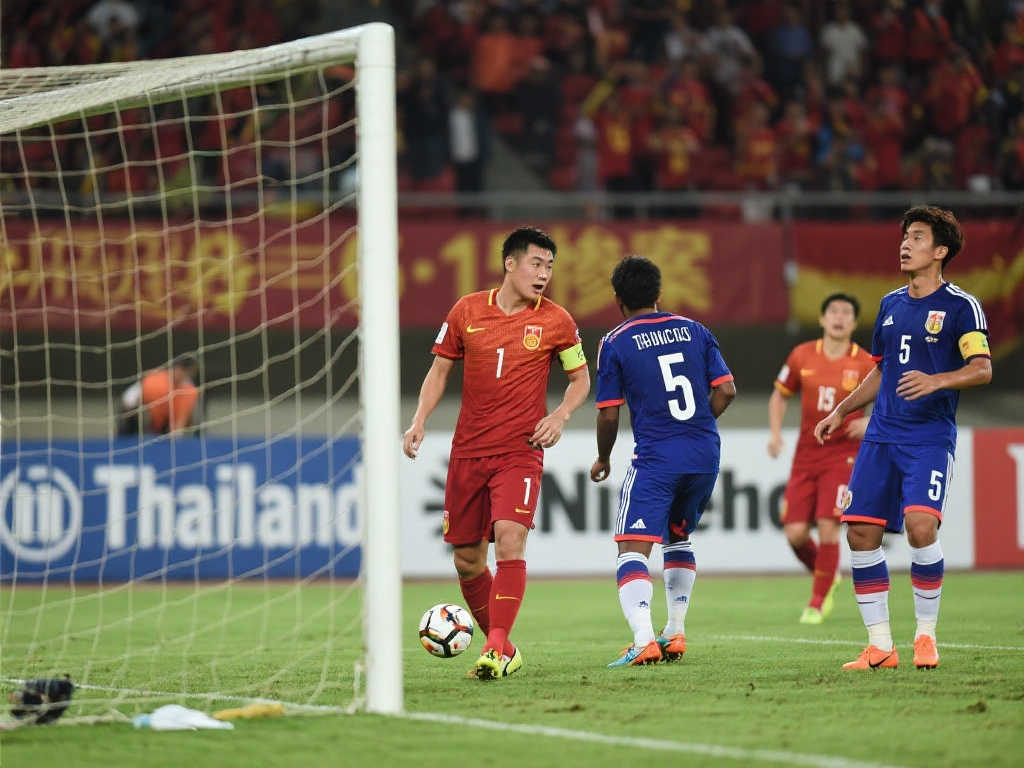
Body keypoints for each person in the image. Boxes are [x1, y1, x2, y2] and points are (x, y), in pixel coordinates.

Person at [403, 227, 590, 681]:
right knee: (467, 560)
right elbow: (439, 370)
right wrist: (419, 419)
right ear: (510, 263)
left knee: (509, 538)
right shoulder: (466, 311)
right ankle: (505, 648)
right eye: (536, 264)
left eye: (549, 267)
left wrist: (560, 416)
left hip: (520, 451)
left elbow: (580, 379)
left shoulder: (557, 321)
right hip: (469, 451)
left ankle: (492, 649)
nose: (544, 274)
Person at [814, 206, 992, 670]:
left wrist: (937, 381)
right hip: (881, 437)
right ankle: (880, 647)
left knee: (920, 526)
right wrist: (842, 410)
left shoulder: (961, 306)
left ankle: (925, 636)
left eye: (916, 237)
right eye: (904, 236)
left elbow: (982, 369)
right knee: (860, 533)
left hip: (928, 437)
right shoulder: (891, 304)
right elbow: (882, 370)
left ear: (940, 250)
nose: (905, 245)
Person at [589, 256, 736, 667]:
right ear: (659, 293)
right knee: (678, 535)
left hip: (657, 456)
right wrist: (698, 426)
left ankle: (643, 640)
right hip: (704, 453)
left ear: (617, 299)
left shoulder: (615, 341)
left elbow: (609, 414)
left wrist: (603, 457)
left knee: (631, 549)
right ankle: (673, 632)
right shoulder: (695, 330)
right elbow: (727, 389)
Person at [768, 293, 875, 624]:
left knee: (829, 525)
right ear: (822, 319)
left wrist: (870, 423)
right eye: (833, 311)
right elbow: (779, 396)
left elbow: (891, 401)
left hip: (843, 455)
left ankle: (817, 601)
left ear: (854, 323)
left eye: (846, 312)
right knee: (795, 534)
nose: (839, 317)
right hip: (805, 456)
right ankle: (827, 574)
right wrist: (775, 434)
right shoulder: (802, 355)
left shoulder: (866, 362)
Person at [118, 356, 200, 436]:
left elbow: (180, 421)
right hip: (140, 419)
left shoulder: (188, 390)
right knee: (142, 413)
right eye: (184, 371)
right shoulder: (153, 380)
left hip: (163, 423)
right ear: (176, 368)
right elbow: (128, 401)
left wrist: (176, 434)